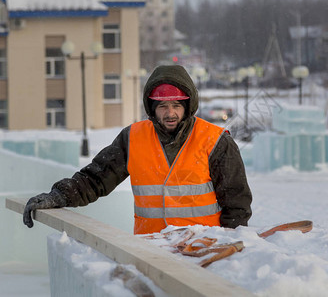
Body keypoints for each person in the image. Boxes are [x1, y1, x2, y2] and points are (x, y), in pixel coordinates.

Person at [23, 65, 252, 234]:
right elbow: (95, 179)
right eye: (162, 106)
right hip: (150, 251)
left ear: (188, 106)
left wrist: (227, 246)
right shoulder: (133, 138)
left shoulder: (215, 141)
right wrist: (58, 195)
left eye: (176, 106)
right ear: (152, 109)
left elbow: (237, 203)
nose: (170, 113)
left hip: (203, 251)